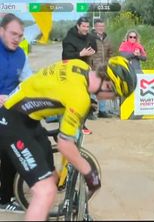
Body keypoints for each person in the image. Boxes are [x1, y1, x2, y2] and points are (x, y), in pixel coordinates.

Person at [0, 56, 137, 220]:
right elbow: (65, 145)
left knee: (52, 179)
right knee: (45, 191)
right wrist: (90, 172)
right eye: (114, 96)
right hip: (14, 122)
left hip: (29, 119)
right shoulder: (79, 98)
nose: (110, 100)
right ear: (108, 84)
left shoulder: (80, 66)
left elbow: (56, 87)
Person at [0, 13, 33, 213]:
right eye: (13, 34)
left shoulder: (21, 54)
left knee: (10, 152)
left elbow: (29, 81)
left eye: (20, 35)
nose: (17, 38)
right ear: (1, 30)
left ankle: (4, 198)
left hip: (7, 113)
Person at [62, 16, 98, 133]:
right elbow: (65, 56)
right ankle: (69, 124)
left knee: (87, 99)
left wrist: (92, 52)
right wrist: (80, 54)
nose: (86, 29)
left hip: (86, 71)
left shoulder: (90, 37)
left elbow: (94, 49)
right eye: (83, 26)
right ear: (78, 26)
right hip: (72, 73)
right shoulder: (68, 39)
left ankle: (82, 124)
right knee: (74, 99)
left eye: (87, 26)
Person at [91, 18, 114, 118]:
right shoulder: (90, 38)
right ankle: (90, 111)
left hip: (104, 69)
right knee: (92, 90)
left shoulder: (107, 39)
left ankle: (102, 111)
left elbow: (111, 53)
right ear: (95, 27)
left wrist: (108, 63)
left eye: (102, 26)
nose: (101, 28)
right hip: (93, 68)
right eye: (99, 26)